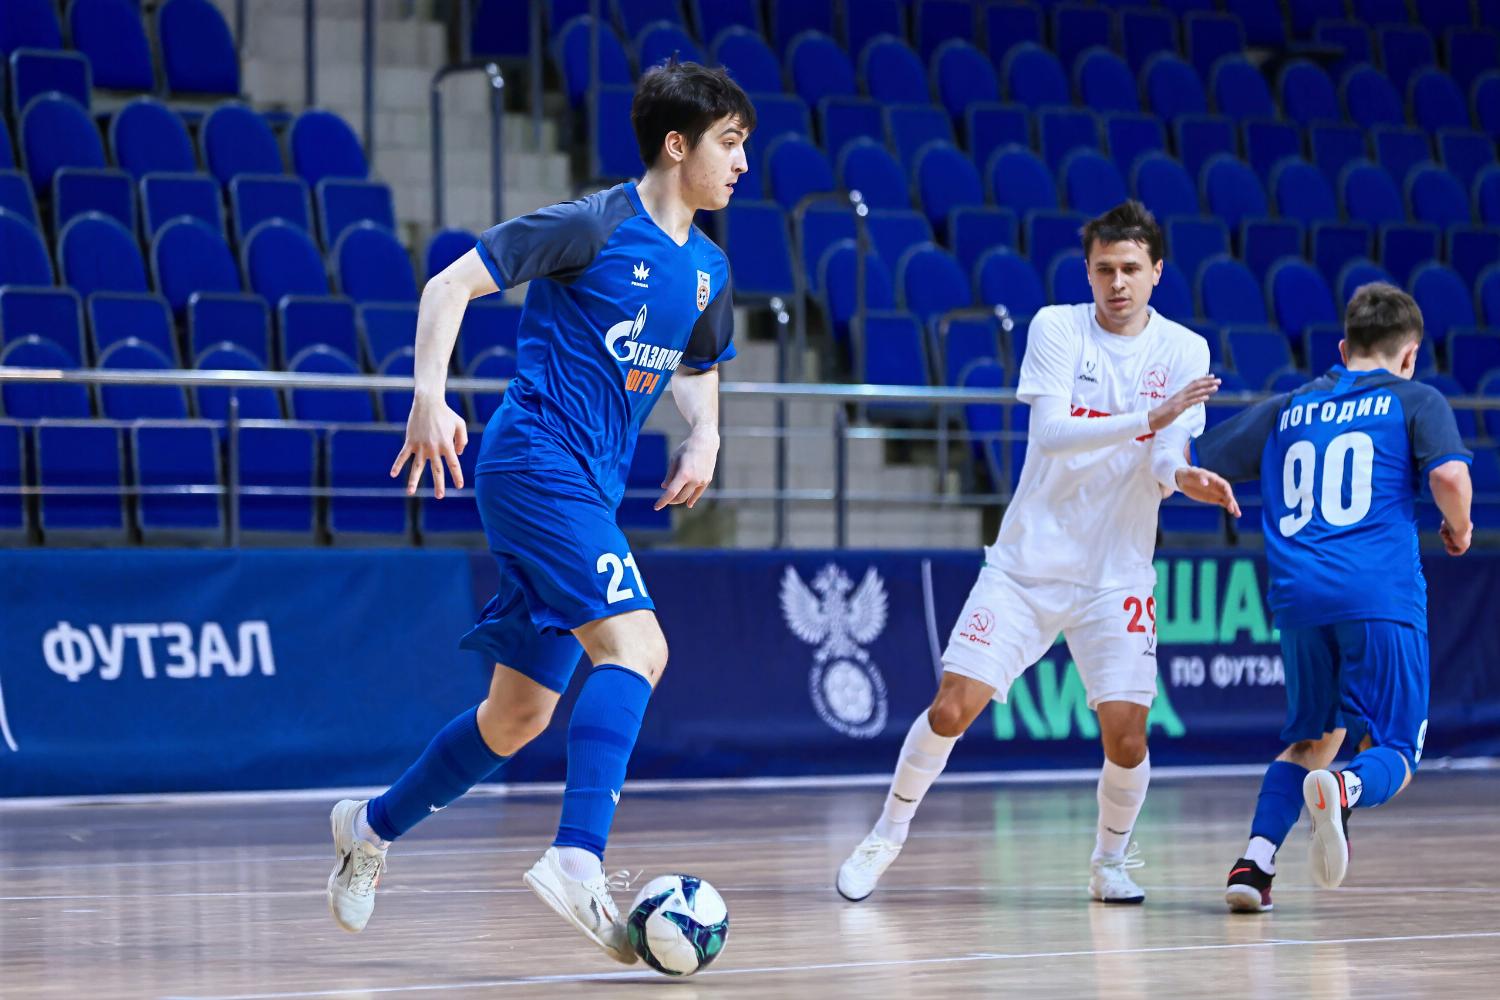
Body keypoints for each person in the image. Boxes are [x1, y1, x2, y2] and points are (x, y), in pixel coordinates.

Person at [323, 60, 753, 964]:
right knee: (639, 648)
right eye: (729, 143)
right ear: (677, 147)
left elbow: (697, 365)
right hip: (534, 462)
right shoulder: (593, 224)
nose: (742, 163)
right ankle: (575, 857)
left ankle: (366, 829)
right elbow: (448, 286)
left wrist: (706, 436)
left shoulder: (709, 267)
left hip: (591, 486)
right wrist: (430, 397)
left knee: (516, 716)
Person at [836, 200, 1236, 905]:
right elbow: (1051, 434)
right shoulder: (1057, 327)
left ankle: (1109, 862)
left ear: (1157, 272)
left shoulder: (1184, 350)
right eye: (1105, 269)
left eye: (1131, 269)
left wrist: (1183, 476)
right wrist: (1149, 418)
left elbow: (1165, 453)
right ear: (1088, 271)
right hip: (1026, 567)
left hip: (1116, 577)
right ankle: (886, 835)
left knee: (1128, 738)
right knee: (952, 708)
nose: (1117, 282)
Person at [1181, 283, 1473, 913]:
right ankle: (1342, 793)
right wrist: (1461, 526)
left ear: (1343, 349)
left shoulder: (1289, 406)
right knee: (1397, 748)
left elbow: (1192, 461)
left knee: (1312, 738)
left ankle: (1254, 863)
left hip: (1299, 598)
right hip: (1378, 593)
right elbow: (1450, 476)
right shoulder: (1416, 399)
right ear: (1410, 355)